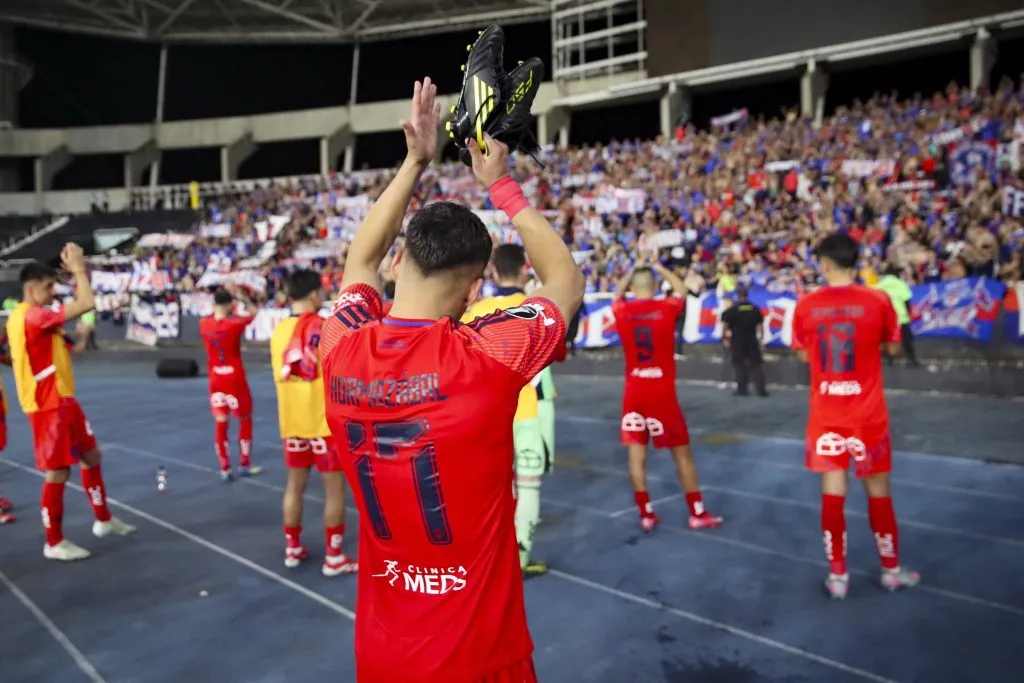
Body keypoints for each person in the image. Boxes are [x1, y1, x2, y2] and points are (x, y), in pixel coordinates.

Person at [319, 78, 583, 682]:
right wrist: (500, 184)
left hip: (382, 654)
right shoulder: (487, 356)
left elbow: (358, 261)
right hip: (479, 656)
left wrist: (416, 160)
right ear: (474, 292)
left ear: (398, 262)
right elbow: (564, 283)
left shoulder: (339, 348)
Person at [791, 233, 920, 600]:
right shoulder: (878, 300)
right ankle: (891, 570)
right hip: (867, 414)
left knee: (833, 493)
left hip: (827, 414)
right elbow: (893, 346)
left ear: (825, 264)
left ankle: (838, 577)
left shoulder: (806, 304)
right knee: (878, 492)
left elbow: (802, 355)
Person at [6, 246, 136, 560]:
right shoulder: (33, 315)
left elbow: (59, 349)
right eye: (48, 287)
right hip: (47, 405)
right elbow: (87, 302)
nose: (53, 293)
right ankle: (54, 542)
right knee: (58, 472)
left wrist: (79, 339)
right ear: (30, 289)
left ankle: (103, 519)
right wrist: (79, 269)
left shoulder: (33, 318)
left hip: (63, 399)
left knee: (91, 456)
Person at [462, 244, 557, 578]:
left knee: (488, 490)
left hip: (483, 416)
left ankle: (484, 557)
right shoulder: (537, 309)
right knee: (528, 485)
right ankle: (520, 556)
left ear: (494, 272)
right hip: (528, 411)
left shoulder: (475, 311)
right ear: (524, 270)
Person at [612, 258, 722, 532]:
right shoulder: (664, 308)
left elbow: (617, 294)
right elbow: (681, 290)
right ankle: (696, 511)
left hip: (634, 391)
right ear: (654, 285)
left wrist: (630, 270)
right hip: (661, 392)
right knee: (682, 455)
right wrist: (658, 266)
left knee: (637, 455)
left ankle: (645, 513)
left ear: (634, 287)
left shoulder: (622, 310)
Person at [269, 269, 358, 576]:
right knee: (334, 491)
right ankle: (333, 556)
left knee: (294, 486)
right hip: (322, 424)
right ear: (312, 295)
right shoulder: (325, 327)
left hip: (292, 423)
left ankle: (292, 548)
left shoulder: (279, 330)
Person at [198, 284, 260, 481]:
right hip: (234, 377)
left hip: (215, 378)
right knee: (244, 418)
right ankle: (244, 463)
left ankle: (224, 466)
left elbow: (214, 315)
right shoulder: (234, 325)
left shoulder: (203, 324)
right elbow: (253, 313)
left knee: (221, 421)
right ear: (230, 305)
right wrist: (243, 297)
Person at [720, 287, 768, 397]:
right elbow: (760, 326)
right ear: (747, 295)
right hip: (752, 340)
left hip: (737, 340)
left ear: (738, 296)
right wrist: (761, 340)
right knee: (756, 365)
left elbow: (725, 326)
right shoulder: (755, 309)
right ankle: (761, 390)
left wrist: (725, 338)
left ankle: (742, 389)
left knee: (739, 365)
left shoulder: (732, 309)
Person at [872, 265, 919, 367]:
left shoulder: (879, 285)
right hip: (901, 317)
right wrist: (908, 313)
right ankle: (912, 360)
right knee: (907, 340)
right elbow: (906, 300)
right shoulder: (900, 284)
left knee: (886, 340)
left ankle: (888, 361)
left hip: (885, 318)